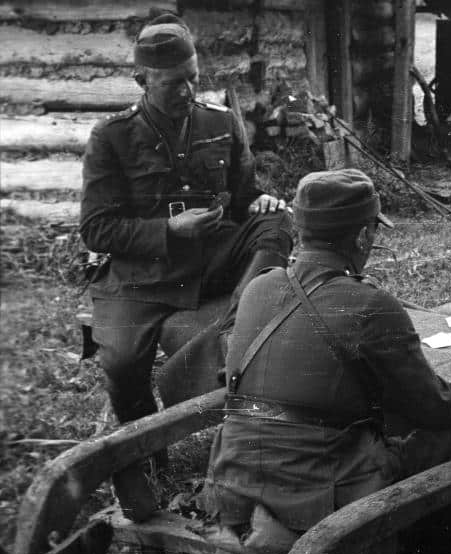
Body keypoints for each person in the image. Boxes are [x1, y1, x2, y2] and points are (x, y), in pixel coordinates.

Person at [202, 169, 451, 551]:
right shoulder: (370, 303)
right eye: (373, 232)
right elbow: (434, 408)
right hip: (317, 489)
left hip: (236, 469)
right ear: (364, 236)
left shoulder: (258, 287)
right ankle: (442, 552)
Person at [79, 13, 292, 426]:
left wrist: (262, 201)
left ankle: (236, 328)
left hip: (207, 262)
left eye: (191, 77)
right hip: (139, 279)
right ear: (142, 80)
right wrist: (169, 230)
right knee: (121, 364)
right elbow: (96, 228)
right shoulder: (111, 137)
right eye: (172, 82)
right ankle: (141, 447)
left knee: (277, 223)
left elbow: (245, 195)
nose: (187, 90)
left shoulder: (221, 122)